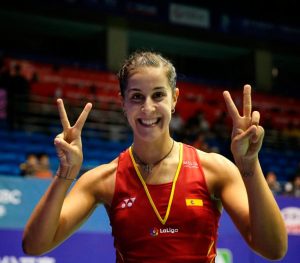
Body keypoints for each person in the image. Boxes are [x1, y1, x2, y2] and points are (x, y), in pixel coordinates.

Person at [22, 51, 287, 262]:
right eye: (136, 97)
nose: (147, 108)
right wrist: (65, 173)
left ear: (174, 98)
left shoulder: (214, 169)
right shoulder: (104, 179)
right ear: (123, 103)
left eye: (158, 95)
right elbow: (34, 246)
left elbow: (273, 248)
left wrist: (250, 165)